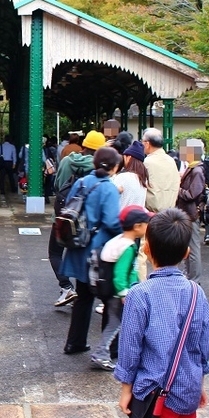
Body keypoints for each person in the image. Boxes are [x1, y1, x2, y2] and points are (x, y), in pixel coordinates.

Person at [114, 208, 209, 418]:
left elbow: (130, 347)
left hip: (154, 392)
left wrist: (126, 389)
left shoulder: (140, 294)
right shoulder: (196, 292)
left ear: (146, 248)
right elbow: (202, 344)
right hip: (188, 390)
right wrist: (200, 382)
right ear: (186, 254)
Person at [60, 147, 122, 354]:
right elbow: (113, 222)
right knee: (108, 298)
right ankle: (111, 348)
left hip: (78, 247)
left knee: (83, 297)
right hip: (98, 253)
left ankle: (74, 342)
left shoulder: (81, 182)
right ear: (114, 167)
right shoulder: (109, 189)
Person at [90, 204, 150, 371]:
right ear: (137, 226)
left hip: (108, 290)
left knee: (115, 323)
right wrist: (125, 294)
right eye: (146, 224)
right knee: (116, 324)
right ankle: (102, 353)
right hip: (120, 294)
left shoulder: (117, 241)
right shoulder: (128, 247)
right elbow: (121, 273)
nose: (147, 227)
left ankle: (103, 353)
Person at [50, 130, 106, 307]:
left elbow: (58, 185)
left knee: (55, 252)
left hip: (64, 215)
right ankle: (85, 293)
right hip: (88, 219)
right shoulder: (101, 166)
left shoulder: (68, 161)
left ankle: (66, 288)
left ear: (85, 145)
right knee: (83, 253)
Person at [176, 139, 206, 281]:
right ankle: (190, 276)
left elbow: (192, 194)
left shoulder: (197, 170)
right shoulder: (193, 168)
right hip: (188, 213)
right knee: (188, 248)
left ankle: (194, 279)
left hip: (191, 213)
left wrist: (178, 189)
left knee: (193, 249)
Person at [142, 128, 180, 213]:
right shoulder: (171, 160)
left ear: (147, 144)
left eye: (142, 142)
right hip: (170, 211)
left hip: (152, 212)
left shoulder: (147, 162)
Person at [113, 139, 149, 208]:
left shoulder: (122, 177)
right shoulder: (144, 179)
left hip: (123, 216)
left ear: (129, 157)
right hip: (139, 217)